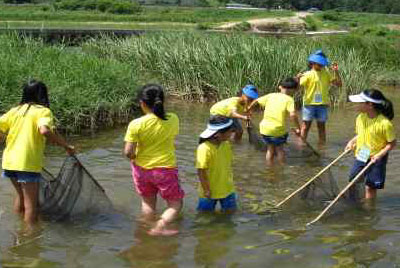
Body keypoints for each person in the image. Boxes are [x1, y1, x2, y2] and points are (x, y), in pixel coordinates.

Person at [0, 80, 75, 226]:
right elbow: (44, 130)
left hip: (9, 161)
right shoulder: (43, 111)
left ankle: (17, 228)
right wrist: (66, 146)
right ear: (42, 95)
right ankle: (28, 238)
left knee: (20, 196)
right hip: (27, 162)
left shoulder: (14, 110)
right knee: (31, 205)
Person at [124, 84, 184, 236]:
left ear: (142, 104)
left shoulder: (135, 124)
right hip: (165, 170)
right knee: (175, 204)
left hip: (141, 170)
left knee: (147, 203)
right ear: (163, 102)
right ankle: (160, 225)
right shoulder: (173, 119)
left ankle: (146, 230)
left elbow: (128, 152)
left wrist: (134, 157)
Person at [345, 89, 396, 200]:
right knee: (353, 179)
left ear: (370, 105)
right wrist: (352, 142)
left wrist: (379, 155)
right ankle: (353, 203)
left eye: (360, 102)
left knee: (370, 187)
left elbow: (392, 143)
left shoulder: (385, 124)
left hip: (377, 156)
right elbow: (360, 134)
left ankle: (369, 211)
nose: (356, 105)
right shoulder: (360, 118)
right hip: (363, 153)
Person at [248, 78, 301, 165]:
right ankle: (282, 167)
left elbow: (256, 101)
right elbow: (293, 115)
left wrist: (249, 109)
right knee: (279, 149)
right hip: (277, 130)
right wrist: (298, 128)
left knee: (270, 149)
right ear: (293, 90)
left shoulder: (271, 95)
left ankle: (269, 167)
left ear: (280, 87)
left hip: (264, 129)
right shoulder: (289, 100)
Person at [298, 50, 342, 145]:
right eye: (319, 63)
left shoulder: (326, 74)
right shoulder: (307, 74)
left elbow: (339, 84)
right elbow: (298, 86)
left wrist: (336, 72)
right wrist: (297, 78)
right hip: (309, 104)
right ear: (313, 63)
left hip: (322, 104)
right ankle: (301, 145)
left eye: (322, 64)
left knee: (321, 127)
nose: (321, 65)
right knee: (305, 126)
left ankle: (322, 146)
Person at [196, 116, 237, 213]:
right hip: (209, 191)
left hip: (227, 189)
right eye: (230, 131)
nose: (232, 134)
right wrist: (206, 189)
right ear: (218, 134)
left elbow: (227, 165)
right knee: (205, 217)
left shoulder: (226, 145)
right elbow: (201, 171)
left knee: (230, 213)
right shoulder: (204, 148)